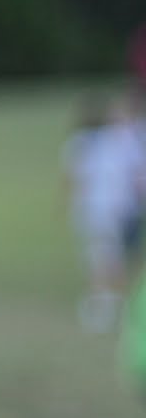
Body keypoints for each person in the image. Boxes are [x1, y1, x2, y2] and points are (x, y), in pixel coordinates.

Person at [63, 92, 146, 334]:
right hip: (106, 210)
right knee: (108, 259)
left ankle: (110, 305)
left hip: (110, 211)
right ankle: (112, 304)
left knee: (108, 259)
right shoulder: (102, 143)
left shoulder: (122, 142)